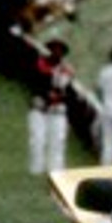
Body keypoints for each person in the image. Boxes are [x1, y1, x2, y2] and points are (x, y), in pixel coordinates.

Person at [29, 38, 75, 174]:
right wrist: (46, 95)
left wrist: (59, 97)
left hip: (57, 110)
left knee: (57, 142)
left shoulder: (66, 71)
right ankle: (36, 169)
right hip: (39, 108)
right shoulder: (39, 65)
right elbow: (34, 84)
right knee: (37, 140)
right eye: (54, 49)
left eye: (60, 50)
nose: (57, 52)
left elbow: (68, 92)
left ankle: (56, 171)